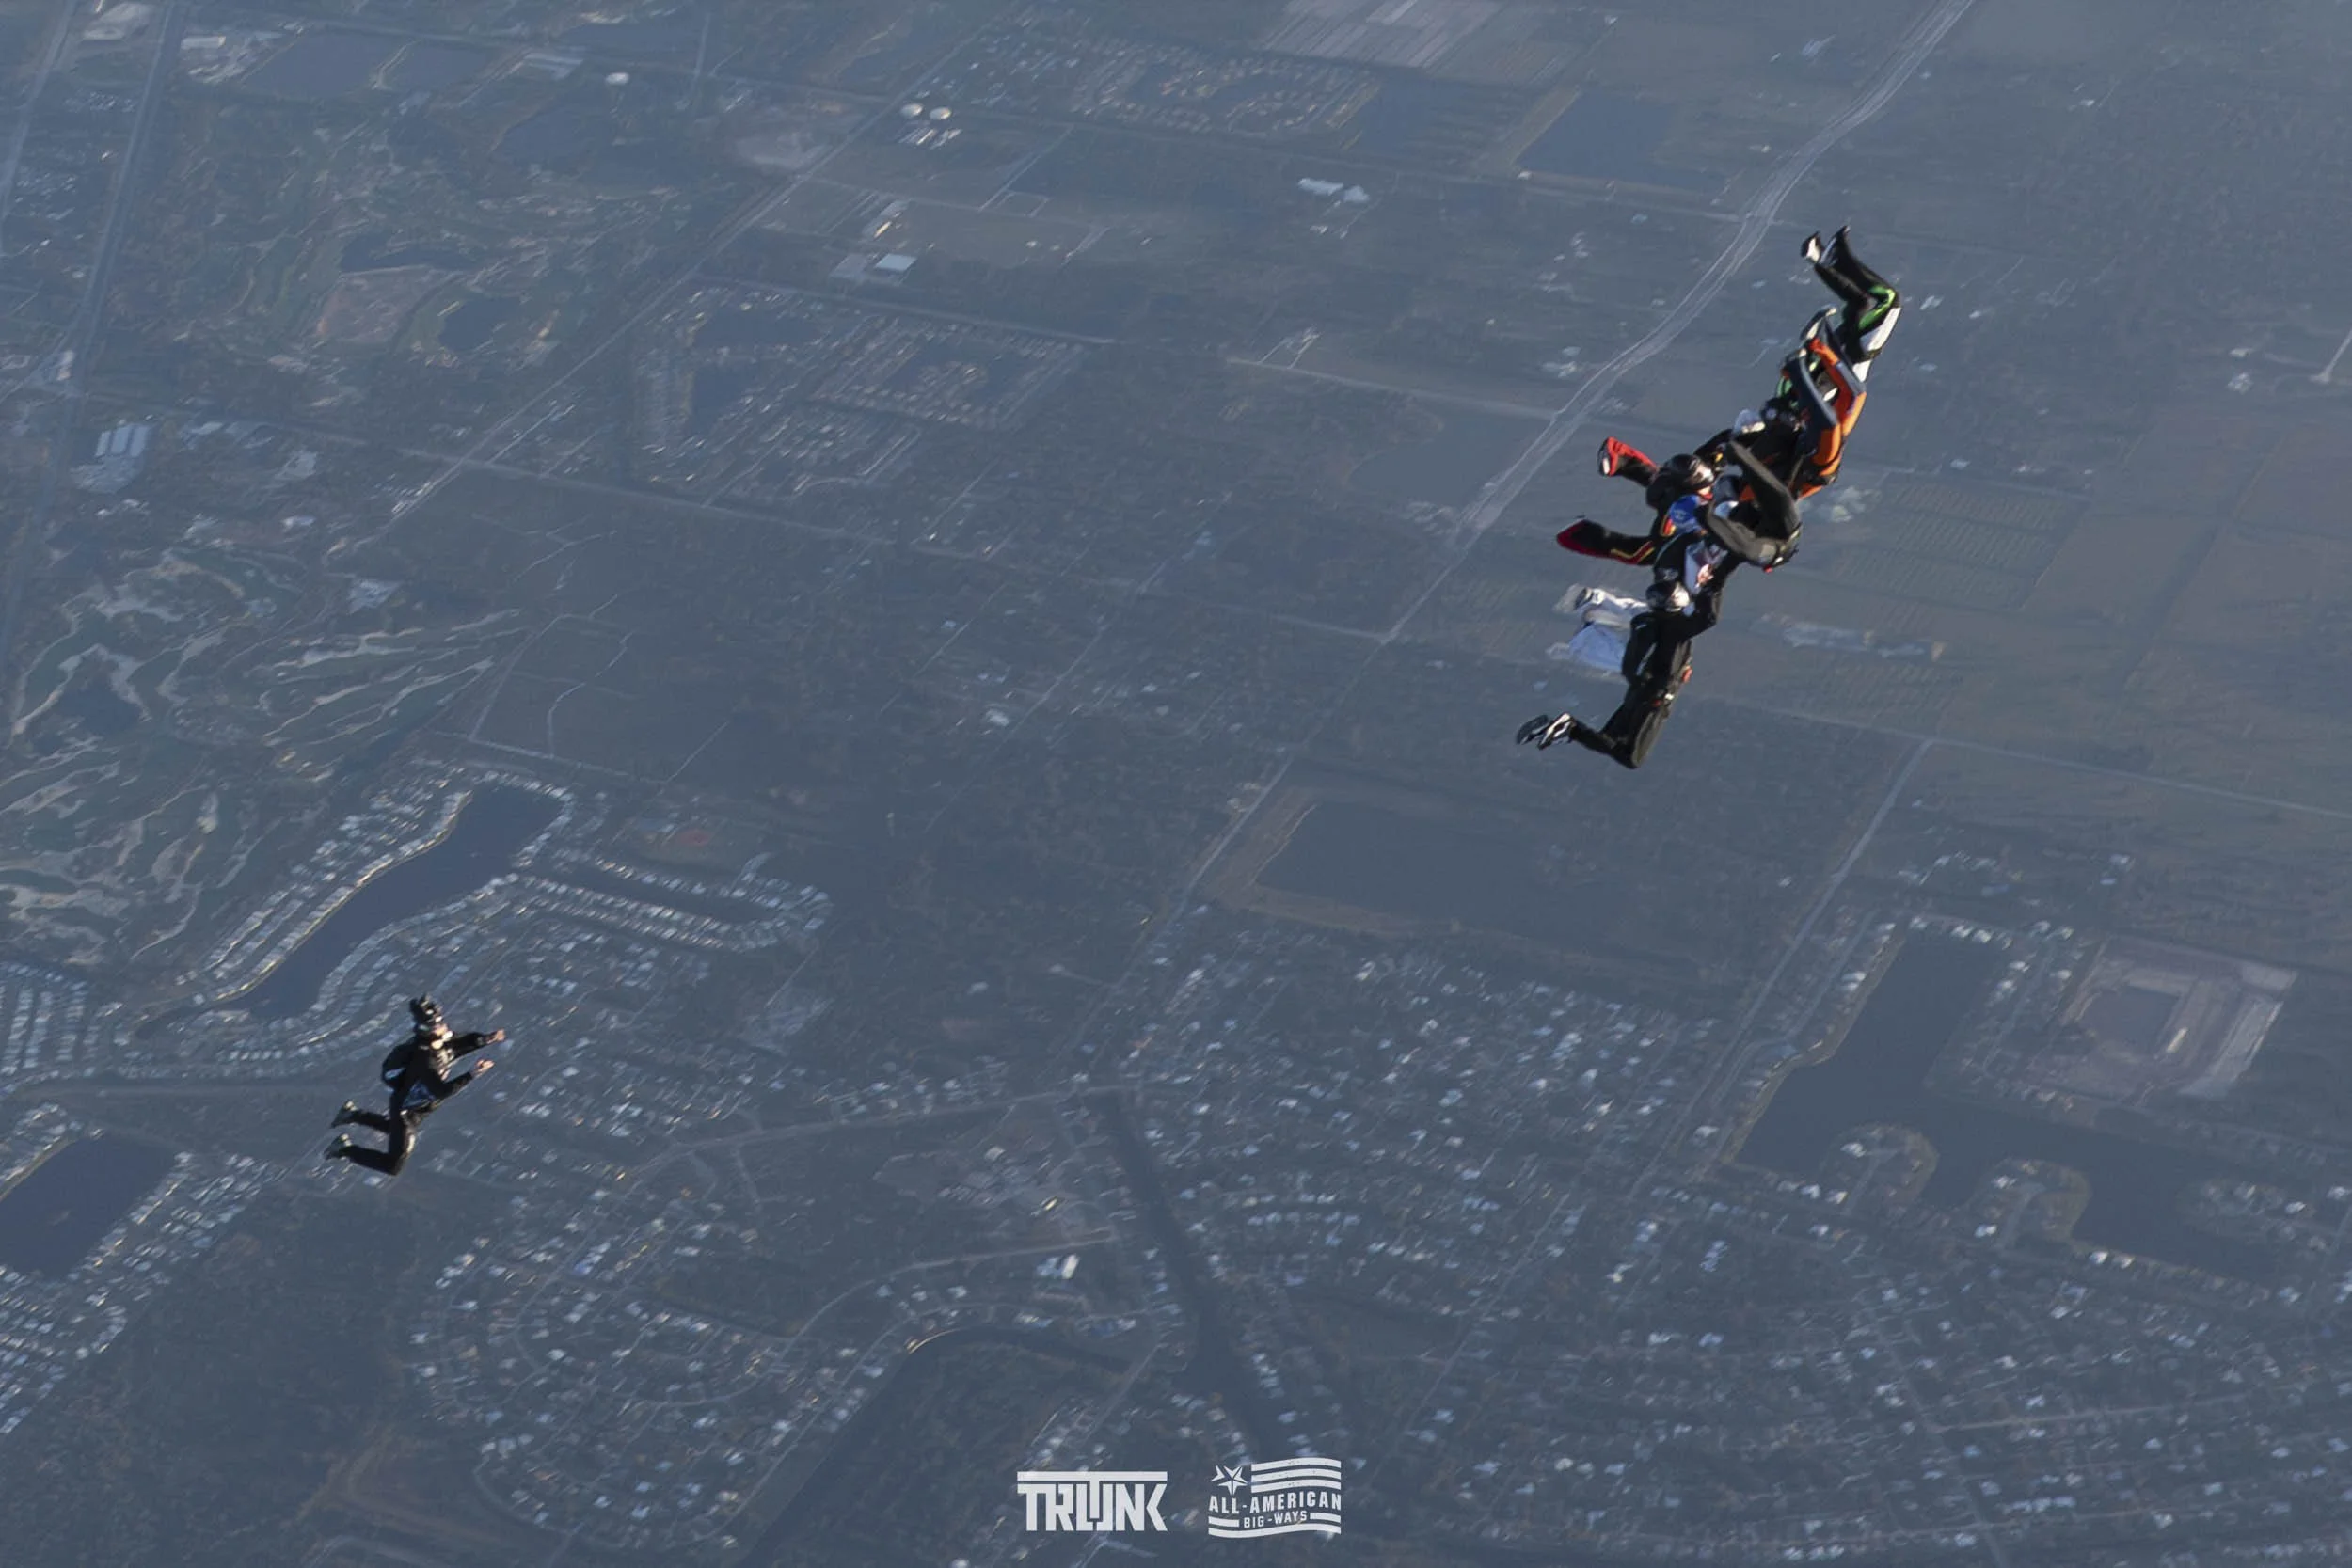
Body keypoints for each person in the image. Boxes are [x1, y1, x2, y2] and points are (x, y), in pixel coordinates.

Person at [1518, 526, 1733, 769]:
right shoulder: (1671, 629)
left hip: (1651, 694)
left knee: (1628, 754)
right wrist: (1714, 582)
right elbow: (1703, 619)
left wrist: (1714, 585)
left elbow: (1706, 619)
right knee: (1621, 749)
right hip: (1647, 693)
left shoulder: (1655, 625)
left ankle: (1570, 729)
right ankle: (1570, 730)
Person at [326, 997, 501, 1177]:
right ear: (430, 1029)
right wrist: (471, 1075)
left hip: (414, 1107)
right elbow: (441, 1091)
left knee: (393, 1129)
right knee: (393, 1165)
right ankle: (345, 1149)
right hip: (405, 1110)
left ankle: (352, 1115)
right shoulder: (425, 1058)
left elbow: (461, 1044)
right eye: (439, 1023)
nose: (444, 1025)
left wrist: (486, 1039)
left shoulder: (438, 1046)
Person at [1801, 225, 1900, 372]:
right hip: (1844, 352)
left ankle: (1836, 257)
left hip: (1859, 351)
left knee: (1890, 299)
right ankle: (1818, 257)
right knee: (1860, 303)